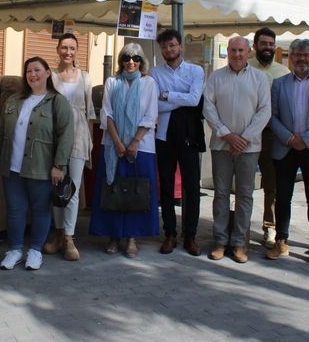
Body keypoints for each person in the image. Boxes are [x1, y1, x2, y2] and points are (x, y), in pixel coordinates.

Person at [0, 56, 73, 270]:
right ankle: (15, 250)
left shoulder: (57, 102)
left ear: (48, 73)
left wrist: (59, 166)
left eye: (37, 70)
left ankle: (36, 250)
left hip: (41, 168)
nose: (33, 74)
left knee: (40, 210)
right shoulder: (14, 100)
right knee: (14, 210)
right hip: (12, 168)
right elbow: (1, 131)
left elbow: (66, 135)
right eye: (28, 71)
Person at [266, 39, 309, 268]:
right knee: (282, 196)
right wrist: (289, 138)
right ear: (289, 57)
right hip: (286, 147)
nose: (301, 59)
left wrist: (304, 139)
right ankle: (281, 241)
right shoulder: (278, 84)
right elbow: (272, 116)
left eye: (306, 55)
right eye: (297, 55)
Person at [203, 36, 270, 263]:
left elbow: (264, 111)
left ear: (249, 51)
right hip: (221, 145)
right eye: (233, 50)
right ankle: (220, 241)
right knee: (220, 194)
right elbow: (208, 107)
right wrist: (227, 134)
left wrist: (244, 138)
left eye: (241, 50)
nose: (237, 54)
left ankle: (240, 243)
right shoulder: (215, 77)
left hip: (249, 148)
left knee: (244, 195)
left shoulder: (260, 79)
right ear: (228, 52)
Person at [89, 43, 159, 258]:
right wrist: (119, 143)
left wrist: (135, 142)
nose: (131, 61)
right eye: (127, 57)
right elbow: (107, 114)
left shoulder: (149, 83)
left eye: (136, 58)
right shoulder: (112, 82)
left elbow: (150, 115)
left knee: (137, 190)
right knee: (113, 189)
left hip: (142, 146)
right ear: (121, 60)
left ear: (141, 62)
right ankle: (113, 236)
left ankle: (132, 237)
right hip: (113, 146)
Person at [150, 29, 205, 256]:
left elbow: (194, 100)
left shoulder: (195, 70)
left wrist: (167, 95)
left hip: (189, 135)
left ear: (180, 46)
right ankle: (170, 233)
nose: (168, 50)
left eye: (172, 45)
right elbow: (154, 105)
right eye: (164, 47)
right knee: (167, 186)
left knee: (192, 187)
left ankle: (190, 235)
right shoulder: (154, 72)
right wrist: (176, 99)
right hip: (164, 135)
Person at [43, 33, 96, 261]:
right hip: (54, 137)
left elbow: (90, 113)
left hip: (79, 136)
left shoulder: (85, 77)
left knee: (72, 189)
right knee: (56, 188)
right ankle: (57, 232)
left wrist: (90, 142)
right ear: (57, 49)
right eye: (64, 47)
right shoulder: (50, 77)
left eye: (72, 48)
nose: (68, 52)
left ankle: (69, 237)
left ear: (77, 51)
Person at [249, 27, 290, 248]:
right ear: (255, 46)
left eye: (271, 44)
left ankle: (270, 227)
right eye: (263, 44)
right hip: (247, 134)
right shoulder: (245, 68)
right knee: (244, 183)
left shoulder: (283, 72)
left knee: (271, 184)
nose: (267, 48)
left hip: (272, 135)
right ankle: (240, 226)